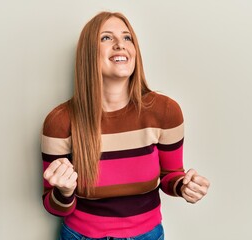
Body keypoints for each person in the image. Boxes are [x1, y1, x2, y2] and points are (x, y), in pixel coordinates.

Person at [41, 11, 210, 240]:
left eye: (127, 37)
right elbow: (53, 205)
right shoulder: (60, 121)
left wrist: (184, 186)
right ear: (89, 53)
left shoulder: (166, 112)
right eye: (106, 38)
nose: (121, 44)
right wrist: (65, 191)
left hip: (147, 235)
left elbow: (171, 175)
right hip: (80, 236)